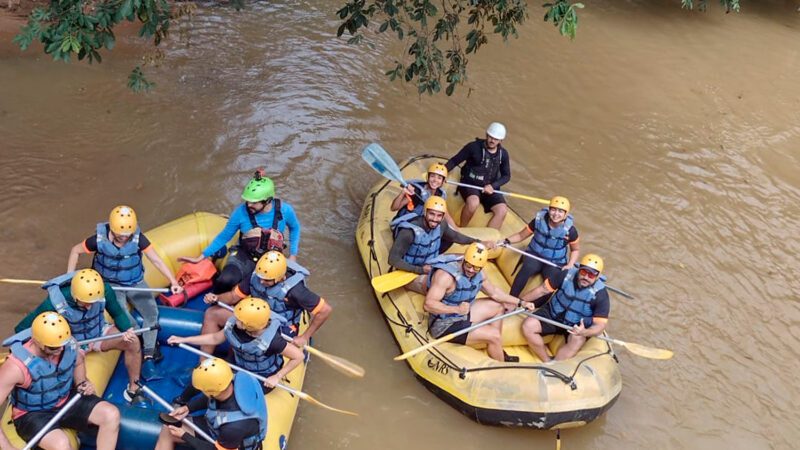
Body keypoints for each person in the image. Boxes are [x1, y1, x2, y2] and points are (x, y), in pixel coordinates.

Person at [67, 205, 183, 379]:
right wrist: (70, 277)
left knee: (152, 313)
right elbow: (75, 251)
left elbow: (157, 261)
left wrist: (173, 281)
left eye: (127, 236)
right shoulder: (97, 240)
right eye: (120, 236)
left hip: (135, 282)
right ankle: (140, 343)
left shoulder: (138, 239)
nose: (124, 239)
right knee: (124, 318)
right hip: (111, 286)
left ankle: (149, 354)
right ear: (112, 230)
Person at [13, 269, 146, 403]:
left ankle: (134, 387)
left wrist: (128, 330)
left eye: (93, 302)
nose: (89, 307)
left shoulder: (103, 290)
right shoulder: (55, 302)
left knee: (133, 341)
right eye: (85, 302)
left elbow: (117, 313)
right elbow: (22, 328)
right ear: (74, 295)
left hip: (98, 333)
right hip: (71, 344)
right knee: (85, 386)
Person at [0, 312, 121, 450]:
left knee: (111, 415)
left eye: (63, 344)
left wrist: (82, 382)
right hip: (33, 413)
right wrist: (7, 447)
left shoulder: (67, 343)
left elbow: (78, 363)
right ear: (38, 342)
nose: (60, 350)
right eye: (53, 347)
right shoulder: (16, 367)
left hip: (66, 399)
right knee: (61, 445)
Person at [180, 170, 302, 294]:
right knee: (225, 280)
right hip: (245, 255)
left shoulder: (285, 210)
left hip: (271, 258)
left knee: (288, 289)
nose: (249, 204)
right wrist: (201, 257)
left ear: (267, 201)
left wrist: (293, 255)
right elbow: (224, 236)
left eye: (254, 202)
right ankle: (215, 301)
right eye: (247, 201)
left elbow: (295, 228)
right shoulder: (240, 213)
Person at [167, 297, 304, 404]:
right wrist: (184, 340)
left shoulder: (273, 341)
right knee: (206, 375)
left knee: (225, 393)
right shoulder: (234, 324)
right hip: (237, 364)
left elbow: (298, 356)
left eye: (240, 320)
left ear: (250, 325)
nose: (234, 318)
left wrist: (277, 377)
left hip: (260, 376)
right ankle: (183, 400)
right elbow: (215, 338)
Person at [200, 251, 331, 356]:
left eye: (267, 280)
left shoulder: (296, 291)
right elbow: (234, 296)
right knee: (212, 313)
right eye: (260, 278)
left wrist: (304, 337)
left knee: (248, 337)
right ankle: (204, 362)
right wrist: (216, 298)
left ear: (281, 277)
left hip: (280, 325)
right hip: (253, 316)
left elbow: (325, 310)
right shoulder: (257, 276)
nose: (261, 282)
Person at [423, 243, 532, 362]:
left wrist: (521, 302)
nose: (471, 270)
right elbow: (428, 304)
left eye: (476, 268)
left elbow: (495, 293)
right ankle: (500, 363)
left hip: (462, 313)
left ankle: (496, 348)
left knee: (498, 306)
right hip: (443, 323)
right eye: (468, 265)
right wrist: (456, 309)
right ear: (464, 259)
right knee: (494, 335)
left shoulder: (479, 274)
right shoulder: (445, 276)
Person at [155, 358, 266, 450]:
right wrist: (188, 408)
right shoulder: (230, 381)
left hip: (231, 445)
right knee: (167, 429)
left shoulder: (234, 427)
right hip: (219, 430)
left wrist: (184, 435)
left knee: (173, 433)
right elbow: (213, 397)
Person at [520, 254, 610, 362]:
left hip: (575, 325)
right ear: (579, 269)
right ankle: (547, 361)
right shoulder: (565, 274)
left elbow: (601, 324)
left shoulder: (601, 295)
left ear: (598, 276)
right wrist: (520, 302)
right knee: (528, 326)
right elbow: (542, 290)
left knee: (578, 340)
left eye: (591, 275)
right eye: (583, 272)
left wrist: (584, 332)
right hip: (552, 313)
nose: (585, 277)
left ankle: (556, 364)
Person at [388, 196, 482, 292]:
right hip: (411, 270)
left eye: (439, 215)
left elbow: (455, 237)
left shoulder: (441, 225)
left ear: (443, 216)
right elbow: (393, 260)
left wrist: (478, 242)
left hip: (430, 264)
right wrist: (420, 270)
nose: (435, 219)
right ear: (425, 212)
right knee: (447, 287)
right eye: (431, 214)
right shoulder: (408, 232)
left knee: (463, 270)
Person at [500, 196, 580, 297]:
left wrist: (570, 264)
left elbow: (575, 250)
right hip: (535, 254)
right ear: (549, 210)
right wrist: (507, 241)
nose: (556, 214)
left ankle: (532, 306)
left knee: (551, 283)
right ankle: (511, 298)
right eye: (553, 210)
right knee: (527, 268)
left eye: (560, 211)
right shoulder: (538, 221)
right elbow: (521, 235)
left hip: (555, 261)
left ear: (565, 214)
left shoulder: (570, 231)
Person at [445, 122, 511, 229]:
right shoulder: (473, 147)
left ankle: (488, 238)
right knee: (473, 203)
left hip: (490, 188)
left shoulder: (503, 154)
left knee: (502, 210)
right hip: (470, 184)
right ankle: (461, 229)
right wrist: (443, 171)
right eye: (490, 137)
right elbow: (454, 161)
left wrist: (493, 186)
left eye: (496, 139)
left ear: (500, 141)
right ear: (486, 135)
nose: (492, 140)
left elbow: (506, 176)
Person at [390, 163, 455, 227]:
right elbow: (394, 208)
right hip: (407, 224)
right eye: (432, 176)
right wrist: (403, 193)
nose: (435, 180)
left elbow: (446, 215)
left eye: (439, 178)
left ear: (443, 182)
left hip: (423, 225)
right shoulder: (416, 191)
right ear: (428, 177)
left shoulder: (440, 195)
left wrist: (457, 231)